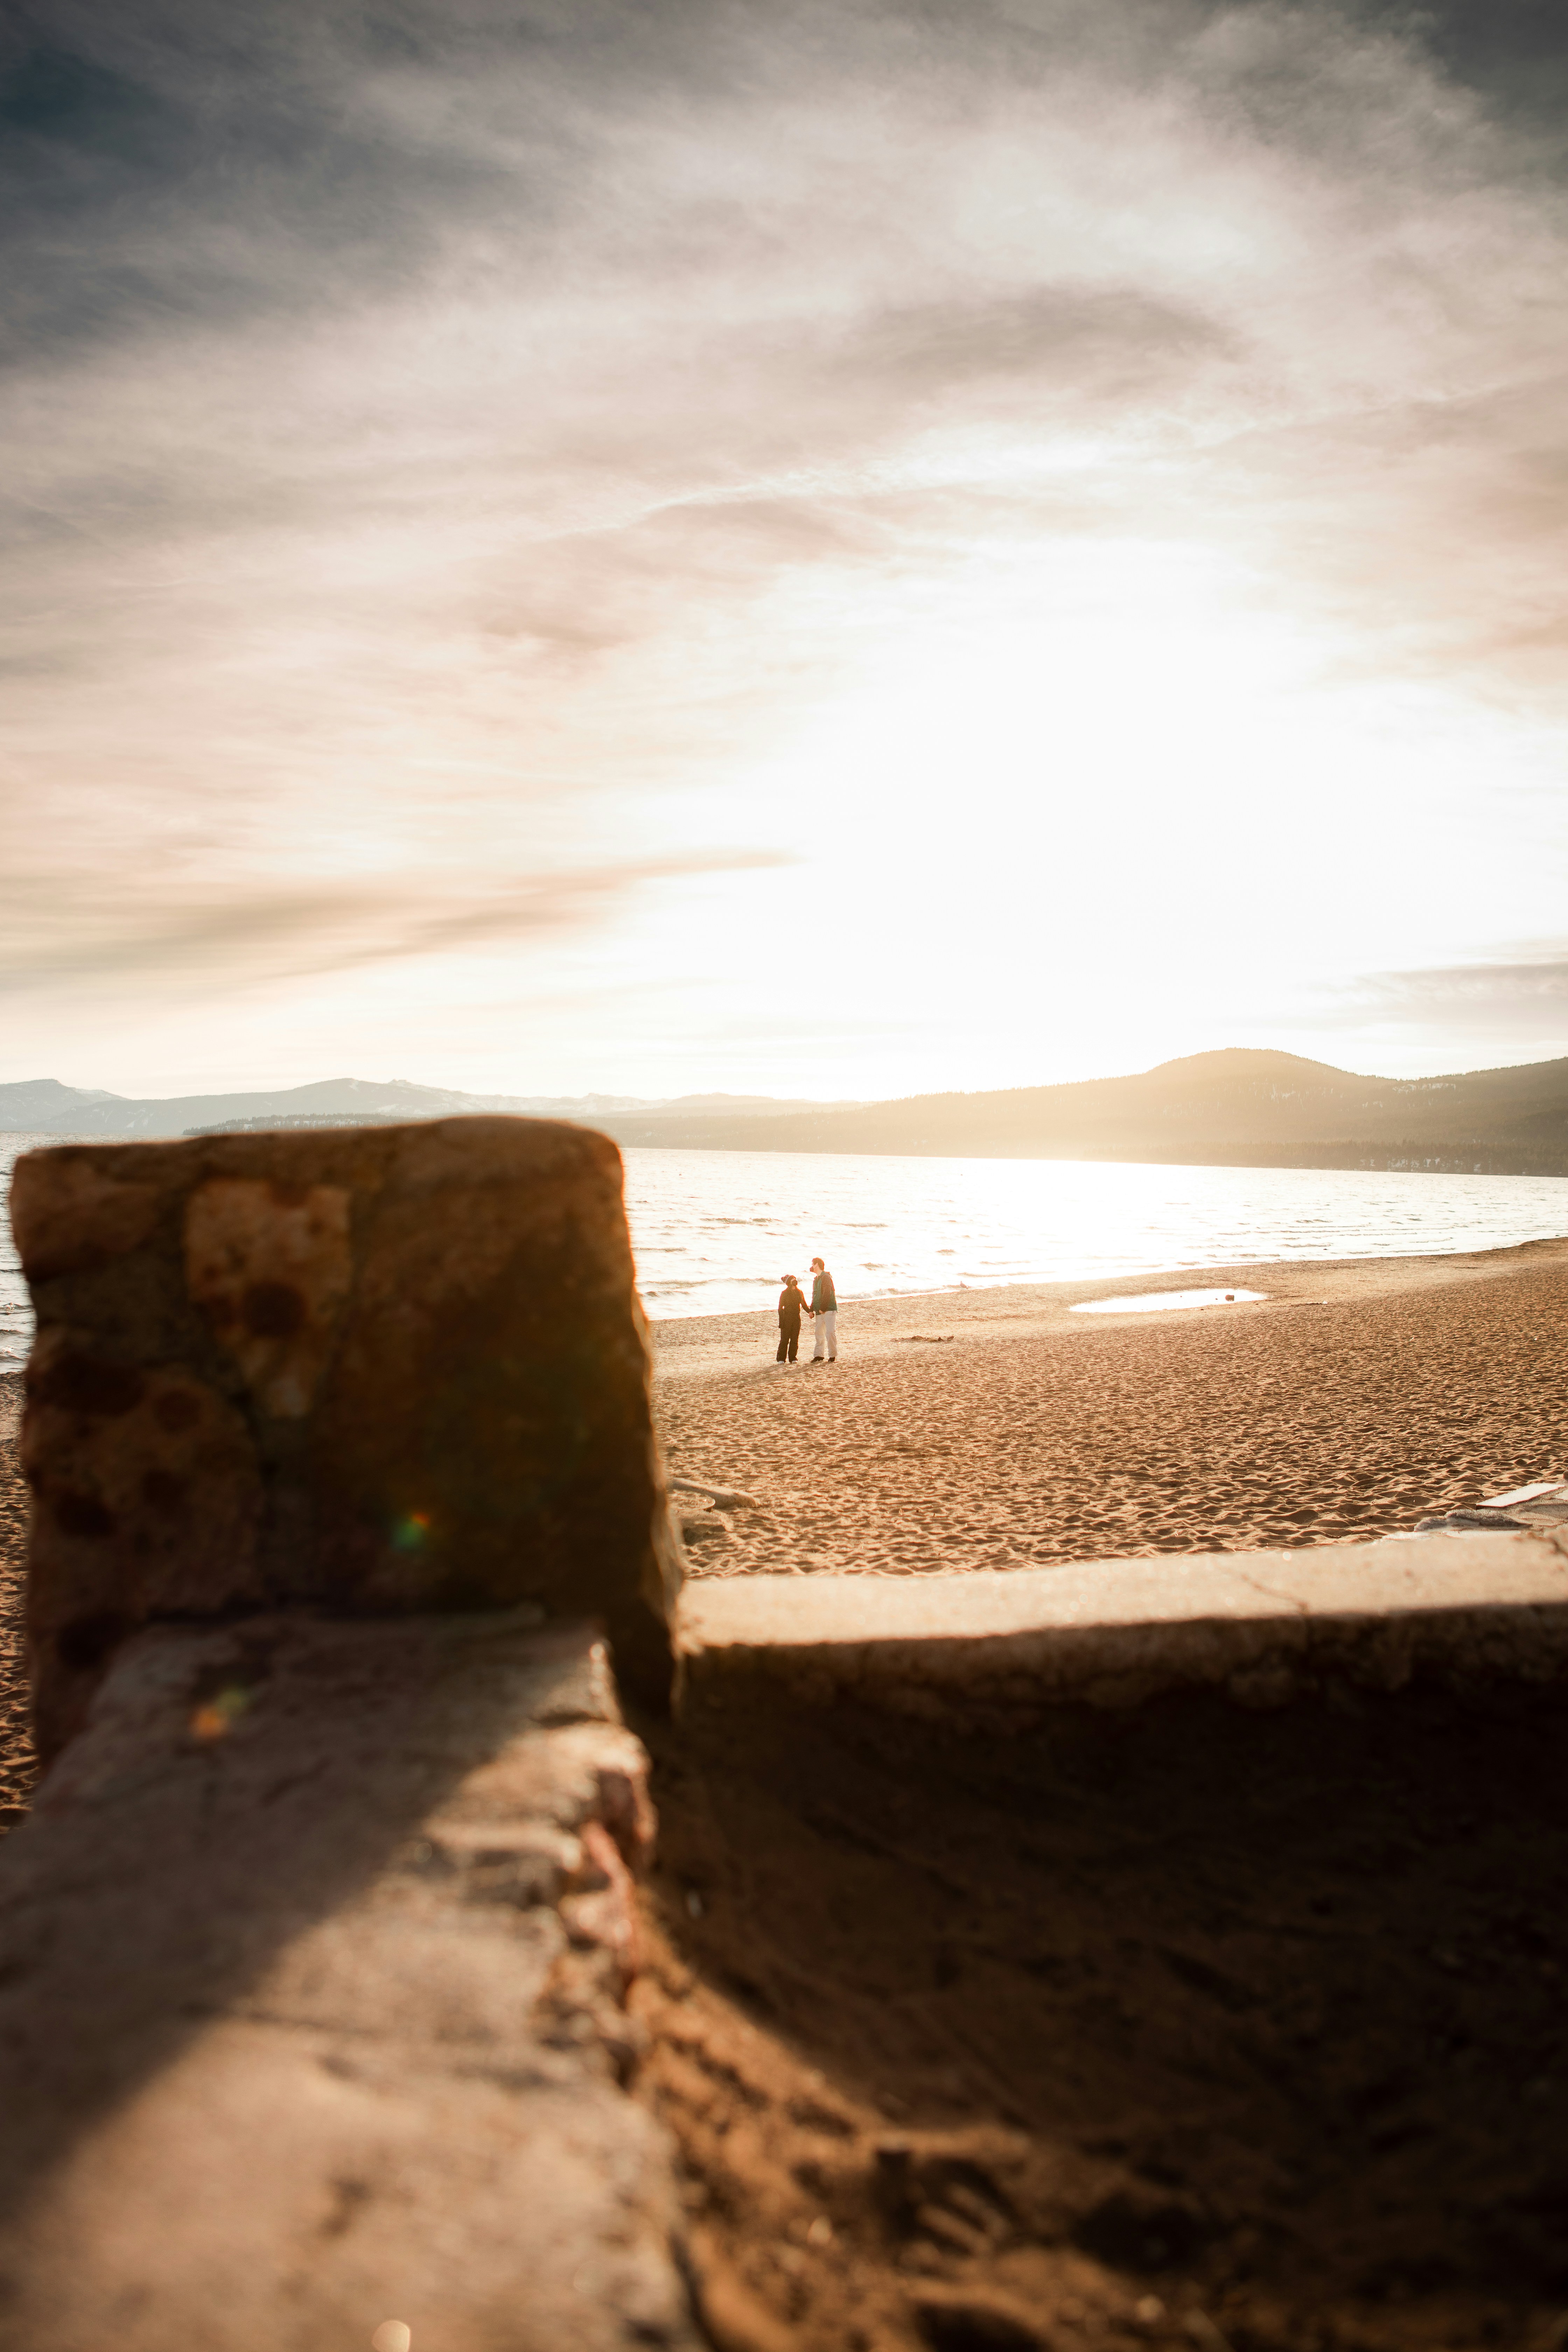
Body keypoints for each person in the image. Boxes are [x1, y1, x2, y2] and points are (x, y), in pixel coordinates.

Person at [807, 1256, 837, 1362]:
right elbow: (815, 1296)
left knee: (830, 1332)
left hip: (829, 1309)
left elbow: (827, 1293)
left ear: (817, 1265)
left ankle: (833, 1355)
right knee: (819, 1333)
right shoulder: (816, 1280)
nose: (811, 1267)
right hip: (819, 1311)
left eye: (813, 1264)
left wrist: (823, 1308)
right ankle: (819, 1355)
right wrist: (811, 1310)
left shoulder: (826, 1277)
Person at [776, 1273, 806, 1364]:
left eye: (795, 1280)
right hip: (787, 1318)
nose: (795, 1282)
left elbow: (804, 1305)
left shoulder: (799, 1292)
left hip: (797, 1318)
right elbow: (780, 1309)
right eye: (793, 1280)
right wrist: (782, 1322)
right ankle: (781, 1359)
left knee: (795, 1339)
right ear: (789, 1283)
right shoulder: (784, 1293)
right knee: (785, 1339)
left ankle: (793, 1358)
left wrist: (811, 1312)